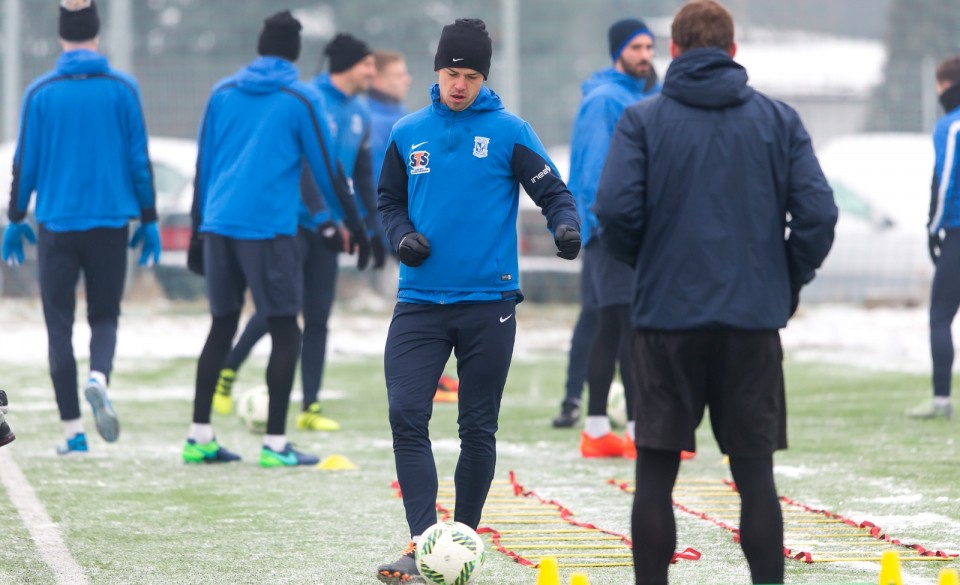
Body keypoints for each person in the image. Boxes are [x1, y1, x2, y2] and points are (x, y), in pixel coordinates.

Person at [594, 1, 837, 583]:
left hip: (665, 320)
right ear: (732, 51)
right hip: (750, 320)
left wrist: (649, 264)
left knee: (656, 475)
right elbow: (819, 215)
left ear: (674, 50)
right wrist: (785, 279)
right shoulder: (778, 120)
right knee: (755, 476)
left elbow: (614, 211)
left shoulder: (642, 120)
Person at [375, 18, 581, 583]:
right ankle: (422, 541)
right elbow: (389, 201)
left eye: (469, 75)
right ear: (437, 72)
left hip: (489, 303)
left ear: (483, 77)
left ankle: (460, 540)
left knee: (476, 427)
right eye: (451, 74)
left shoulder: (511, 131)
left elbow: (554, 192)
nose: (459, 84)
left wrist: (565, 226)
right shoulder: (406, 132)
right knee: (405, 414)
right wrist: (401, 236)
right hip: (419, 302)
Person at [183, 11, 367, 467]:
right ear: (295, 52)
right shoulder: (301, 97)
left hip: (218, 226)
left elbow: (204, 165)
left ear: (260, 46)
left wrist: (196, 232)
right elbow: (327, 171)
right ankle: (276, 445)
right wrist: (356, 225)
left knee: (222, 324)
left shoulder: (222, 92)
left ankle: (199, 436)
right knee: (287, 330)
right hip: (268, 231)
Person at [1, 0, 160, 455]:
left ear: (60, 36)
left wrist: (16, 217)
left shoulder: (40, 92)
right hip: (110, 223)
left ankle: (73, 432)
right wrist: (149, 218)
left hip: (57, 224)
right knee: (105, 315)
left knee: (59, 326)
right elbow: (138, 159)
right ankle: (99, 378)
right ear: (97, 35)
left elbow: (25, 162)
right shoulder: (123, 88)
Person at [212, 32, 386, 433]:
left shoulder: (359, 112)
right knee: (278, 311)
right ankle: (228, 370)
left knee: (319, 317)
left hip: (330, 229)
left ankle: (310, 406)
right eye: (367, 65)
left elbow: (360, 175)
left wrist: (371, 229)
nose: (372, 73)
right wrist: (321, 216)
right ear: (348, 65)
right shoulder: (309, 98)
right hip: (291, 224)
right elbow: (306, 165)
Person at [559, 19, 660, 461]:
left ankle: (598, 428)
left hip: (632, 230)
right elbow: (595, 168)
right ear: (618, 51)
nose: (645, 55)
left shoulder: (642, 95)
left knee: (610, 325)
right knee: (628, 327)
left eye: (649, 47)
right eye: (636, 47)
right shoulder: (605, 100)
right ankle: (638, 431)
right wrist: (602, 226)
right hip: (614, 230)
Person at [914, 55, 960, 421]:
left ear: (945, 85)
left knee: (940, 316)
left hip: (957, 234)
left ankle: (941, 400)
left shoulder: (950, 125)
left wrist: (933, 227)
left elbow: (944, 183)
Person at [366, 50, 412, 188]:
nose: (408, 80)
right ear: (378, 81)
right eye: (399, 75)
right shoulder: (373, 123)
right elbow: (377, 182)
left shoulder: (402, 114)